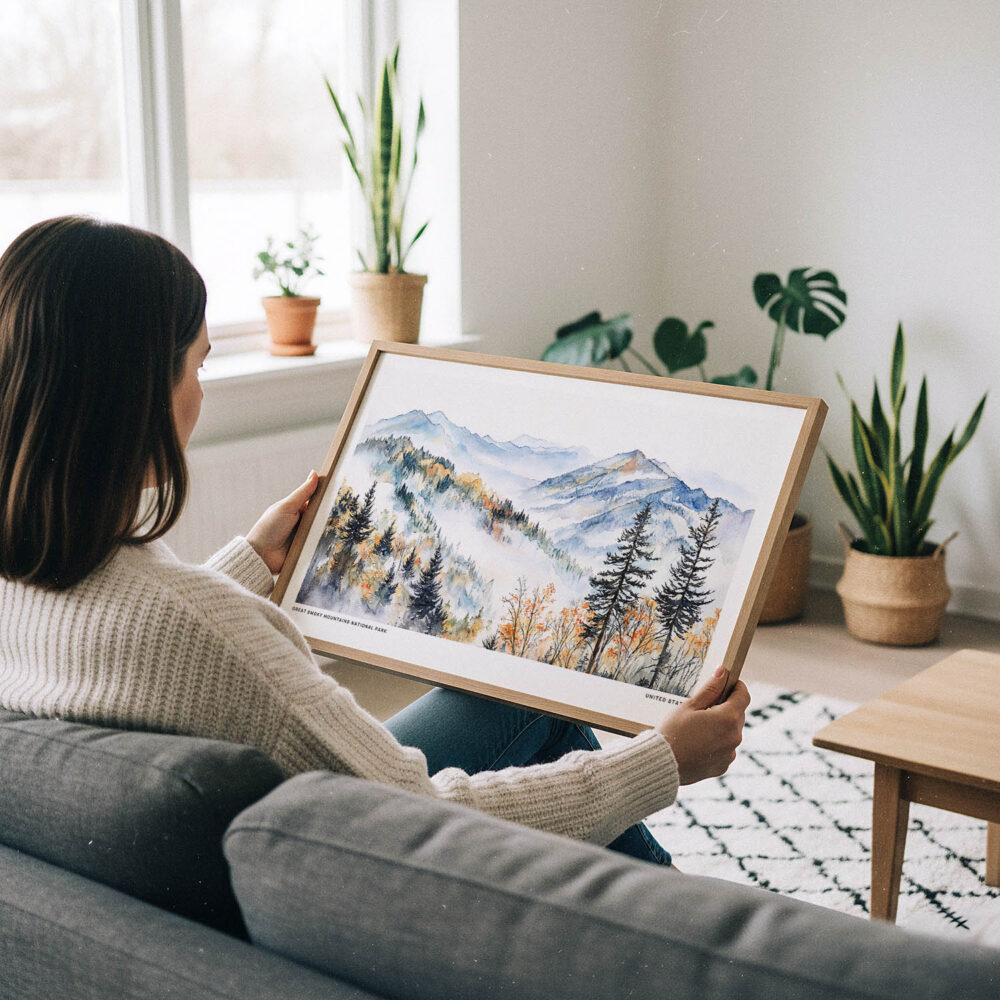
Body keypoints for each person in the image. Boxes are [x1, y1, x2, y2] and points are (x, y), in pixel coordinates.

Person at [0, 216, 749, 866]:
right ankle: (696, 937)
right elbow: (418, 816)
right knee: (546, 719)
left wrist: (249, 564)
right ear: (135, 394)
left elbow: (140, 638)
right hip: (358, 858)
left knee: (504, 700)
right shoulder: (207, 630)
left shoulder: (27, 581)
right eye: (198, 365)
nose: (202, 392)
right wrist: (660, 761)